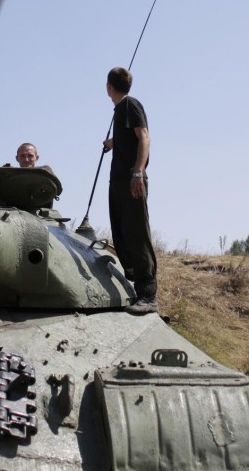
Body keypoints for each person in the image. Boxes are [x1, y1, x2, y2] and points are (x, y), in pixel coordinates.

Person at [102, 66, 158, 314]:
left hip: (131, 179)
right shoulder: (121, 110)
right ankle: (136, 289)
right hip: (118, 180)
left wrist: (138, 171)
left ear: (109, 87)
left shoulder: (130, 104)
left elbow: (144, 136)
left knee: (136, 232)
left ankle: (148, 295)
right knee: (121, 233)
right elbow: (130, 137)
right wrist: (113, 143)